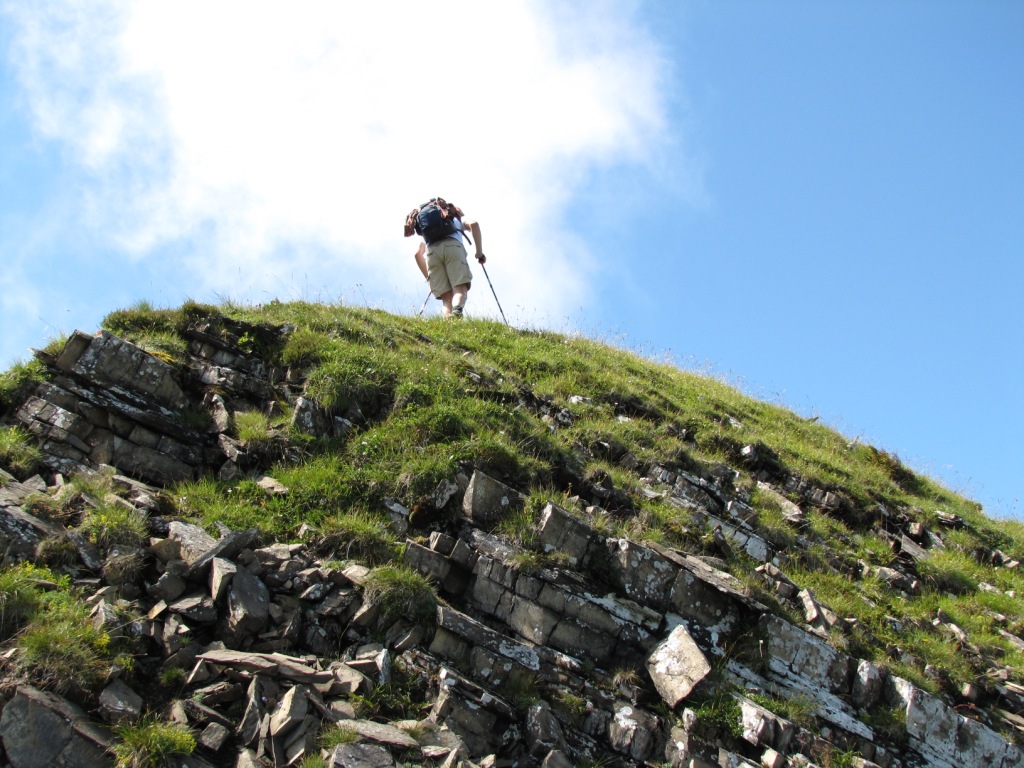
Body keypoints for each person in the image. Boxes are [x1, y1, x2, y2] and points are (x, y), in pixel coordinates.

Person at [404, 198, 485, 318]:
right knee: (460, 288)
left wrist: (429, 278)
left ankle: (449, 324)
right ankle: (457, 313)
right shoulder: (455, 219)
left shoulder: (429, 231)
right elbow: (474, 224)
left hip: (431, 251)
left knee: (446, 297)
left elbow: (417, 254)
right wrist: (479, 253)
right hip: (453, 247)